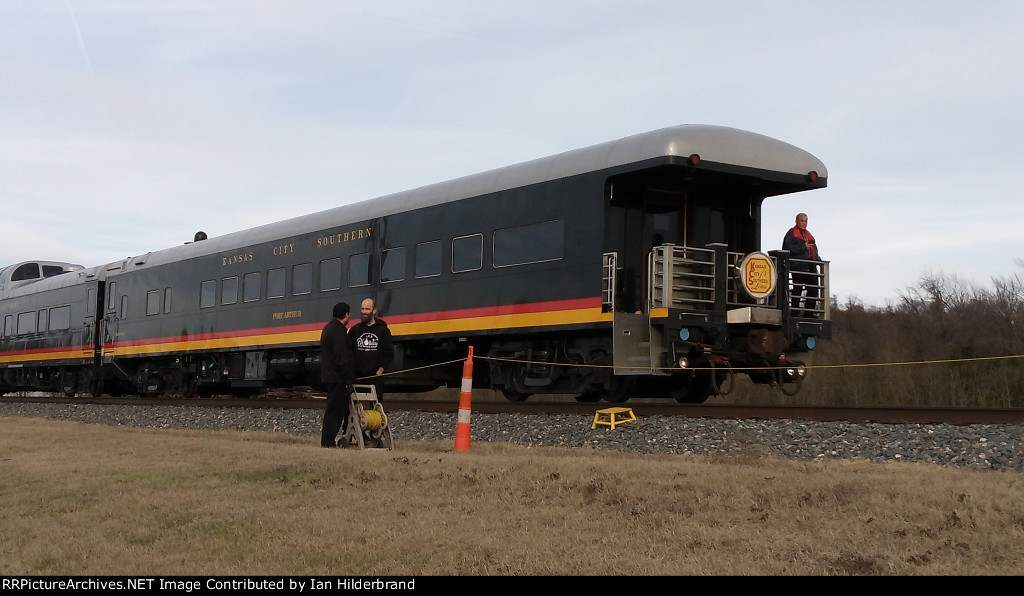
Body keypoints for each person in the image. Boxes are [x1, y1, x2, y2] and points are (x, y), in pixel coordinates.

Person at [320, 302, 355, 448]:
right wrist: (348, 380)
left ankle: (328, 440)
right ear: (346, 314)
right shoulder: (338, 332)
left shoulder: (329, 328)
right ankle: (328, 441)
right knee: (335, 411)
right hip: (337, 378)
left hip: (331, 376)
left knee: (334, 409)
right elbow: (342, 358)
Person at [349, 297, 394, 402]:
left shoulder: (383, 330)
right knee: (353, 405)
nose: (364, 312)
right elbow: (348, 351)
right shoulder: (354, 330)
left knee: (377, 406)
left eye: (367, 309)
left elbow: (389, 352)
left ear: (374, 311)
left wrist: (381, 369)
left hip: (375, 376)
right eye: (362, 309)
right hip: (357, 376)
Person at [782, 212, 822, 315]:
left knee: (813, 291)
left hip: (810, 267)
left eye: (806, 221)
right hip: (798, 267)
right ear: (796, 221)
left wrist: (818, 260)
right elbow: (787, 249)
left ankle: (808, 314)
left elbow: (814, 250)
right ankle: (794, 313)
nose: (804, 223)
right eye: (802, 221)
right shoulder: (791, 234)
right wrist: (803, 247)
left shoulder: (809, 235)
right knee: (797, 291)